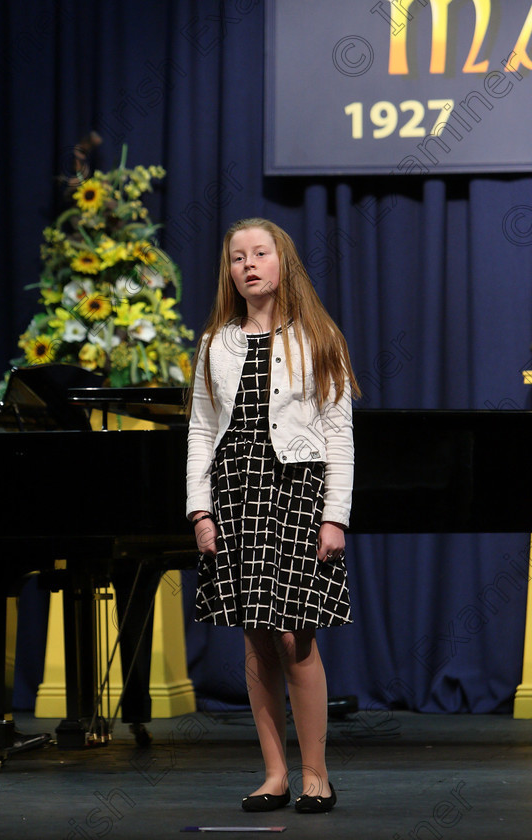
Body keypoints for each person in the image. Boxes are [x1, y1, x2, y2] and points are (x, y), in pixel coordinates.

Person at [185, 218, 359, 814]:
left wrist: (334, 516)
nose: (249, 264)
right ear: (229, 272)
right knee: (256, 635)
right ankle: (275, 773)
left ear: (282, 261)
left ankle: (317, 774)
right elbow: (202, 431)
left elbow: (339, 432)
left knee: (294, 634)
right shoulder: (216, 343)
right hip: (237, 488)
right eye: (238, 257)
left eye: (260, 253)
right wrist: (200, 509)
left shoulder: (317, 335)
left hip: (296, 487)